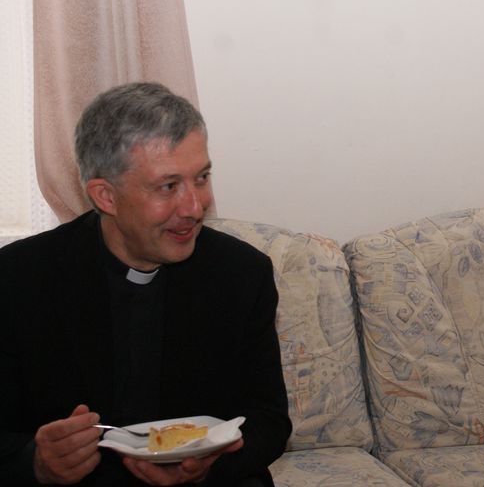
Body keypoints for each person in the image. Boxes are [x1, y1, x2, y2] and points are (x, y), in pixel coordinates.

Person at [0, 82, 292, 486]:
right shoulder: (18, 278)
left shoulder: (242, 273)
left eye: (201, 177)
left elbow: (269, 420)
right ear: (106, 196)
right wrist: (35, 462)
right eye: (168, 186)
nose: (195, 207)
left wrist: (206, 468)